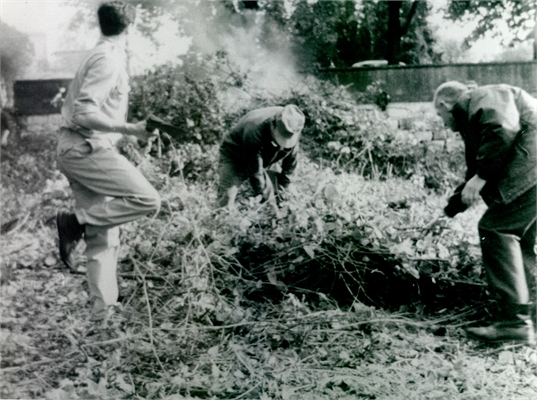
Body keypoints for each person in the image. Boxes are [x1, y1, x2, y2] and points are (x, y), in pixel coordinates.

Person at [56, 1, 161, 321]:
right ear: (131, 26)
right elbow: (83, 113)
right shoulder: (108, 59)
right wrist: (130, 129)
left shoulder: (99, 54)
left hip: (78, 148)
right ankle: (74, 222)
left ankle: (103, 319)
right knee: (148, 199)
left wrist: (130, 136)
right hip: (85, 149)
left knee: (102, 234)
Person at [434, 81, 537, 345]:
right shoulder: (475, 115)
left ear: (445, 104)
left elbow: (502, 129)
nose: (442, 122)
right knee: (521, 241)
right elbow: (475, 172)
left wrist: (482, 176)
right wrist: (449, 210)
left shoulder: (484, 97)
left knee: (496, 230)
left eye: (439, 114)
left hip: (532, 170)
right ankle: (528, 315)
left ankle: (514, 324)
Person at [217, 105, 305, 214]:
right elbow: (256, 172)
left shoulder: (293, 124)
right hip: (235, 156)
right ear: (273, 125)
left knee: (280, 195)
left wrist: (286, 185)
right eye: (280, 137)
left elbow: (291, 159)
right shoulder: (254, 128)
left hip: (265, 155)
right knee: (225, 203)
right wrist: (269, 201)